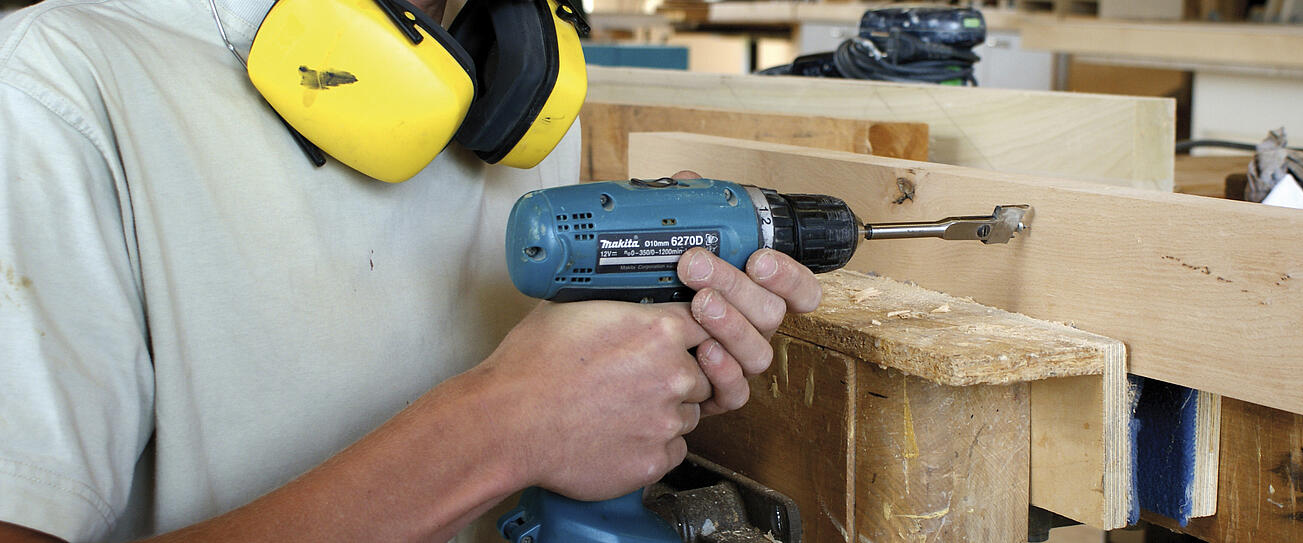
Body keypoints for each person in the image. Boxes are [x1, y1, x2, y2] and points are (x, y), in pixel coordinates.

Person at [0, 0, 822, 539]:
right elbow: (526, 413)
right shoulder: (58, 90)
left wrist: (642, 375)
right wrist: (503, 426)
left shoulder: (519, 91)